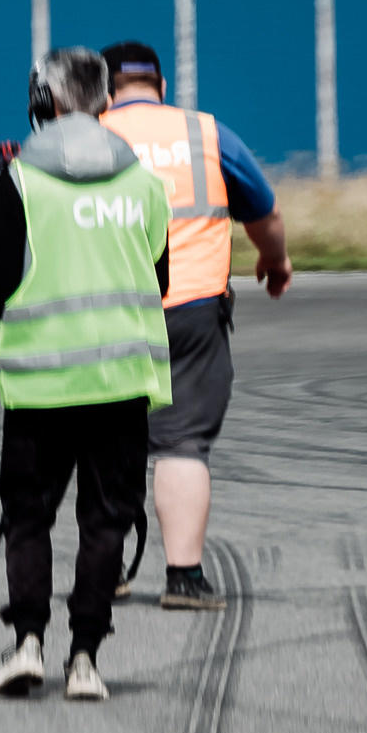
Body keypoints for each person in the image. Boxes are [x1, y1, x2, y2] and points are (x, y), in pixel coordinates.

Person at [0, 48, 171, 702]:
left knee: (29, 519)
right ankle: (85, 659)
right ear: (104, 102)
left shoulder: (20, 182)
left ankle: (28, 642)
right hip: (120, 382)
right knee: (105, 521)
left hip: (40, 385)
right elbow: (159, 277)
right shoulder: (141, 182)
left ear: (46, 103)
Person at [94, 41, 291, 611]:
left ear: (106, 88)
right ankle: (183, 579)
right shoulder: (206, 135)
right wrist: (275, 264)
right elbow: (266, 213)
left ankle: (103, 571)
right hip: (192, 307)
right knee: (182, 443)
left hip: (106, 310)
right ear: (161, 85)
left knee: (108, 439)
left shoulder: (88, 138)